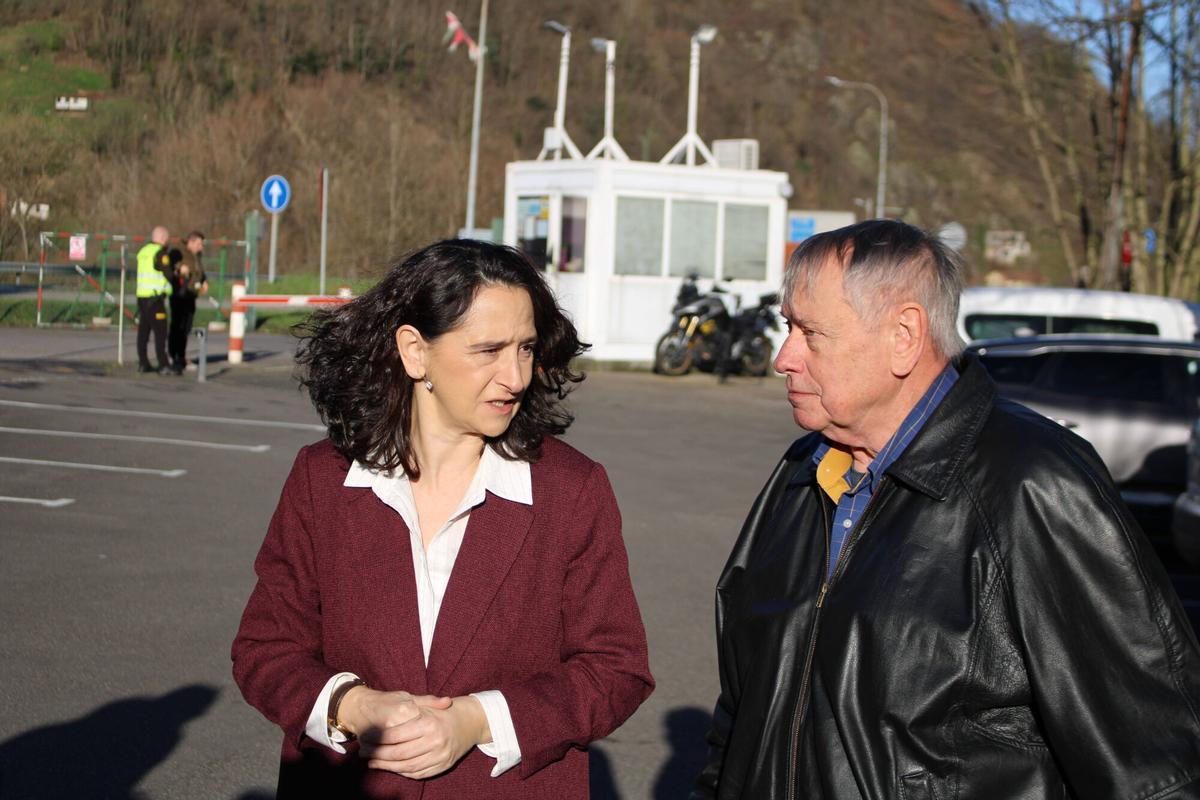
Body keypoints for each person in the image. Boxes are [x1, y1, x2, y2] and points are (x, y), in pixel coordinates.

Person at [693, 220, 1200, 799]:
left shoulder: (1033, 484)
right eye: (788, 327)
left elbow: (1156, 766)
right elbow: (740, 716)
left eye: (811, 333)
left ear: (904, 334)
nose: (784, 358)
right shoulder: (802, 475)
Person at [232, 239, 654, 799]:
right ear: (415, 351)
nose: (516, 376)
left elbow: (616, 668)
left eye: (527, 349)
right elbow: (265, 648)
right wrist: (351, 705)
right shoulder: (323, 480)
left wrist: (479, 720)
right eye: (489, 350)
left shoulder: (571, 490)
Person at [134, 225, 173, 374]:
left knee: (143, 332)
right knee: (160, 333)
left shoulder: (143, 252)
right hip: (155, 299)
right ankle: (163, 364)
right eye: (167, 239)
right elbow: (168, 275)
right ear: (163, 239)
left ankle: (143, 363)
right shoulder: (160, 253)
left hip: (142, 298)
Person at [168, 230, 208, 373]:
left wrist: (204, 281)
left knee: (186, 328)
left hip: (191, 295)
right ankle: (173, 356)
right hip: (180, 294)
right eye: (199, 244)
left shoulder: (196, 256)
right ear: (191, 242)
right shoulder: (179, 252)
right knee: (177, 327)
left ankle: (182, 356)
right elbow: (170, 266)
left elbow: (200, 273)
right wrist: (179, 269)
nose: (201, 247)